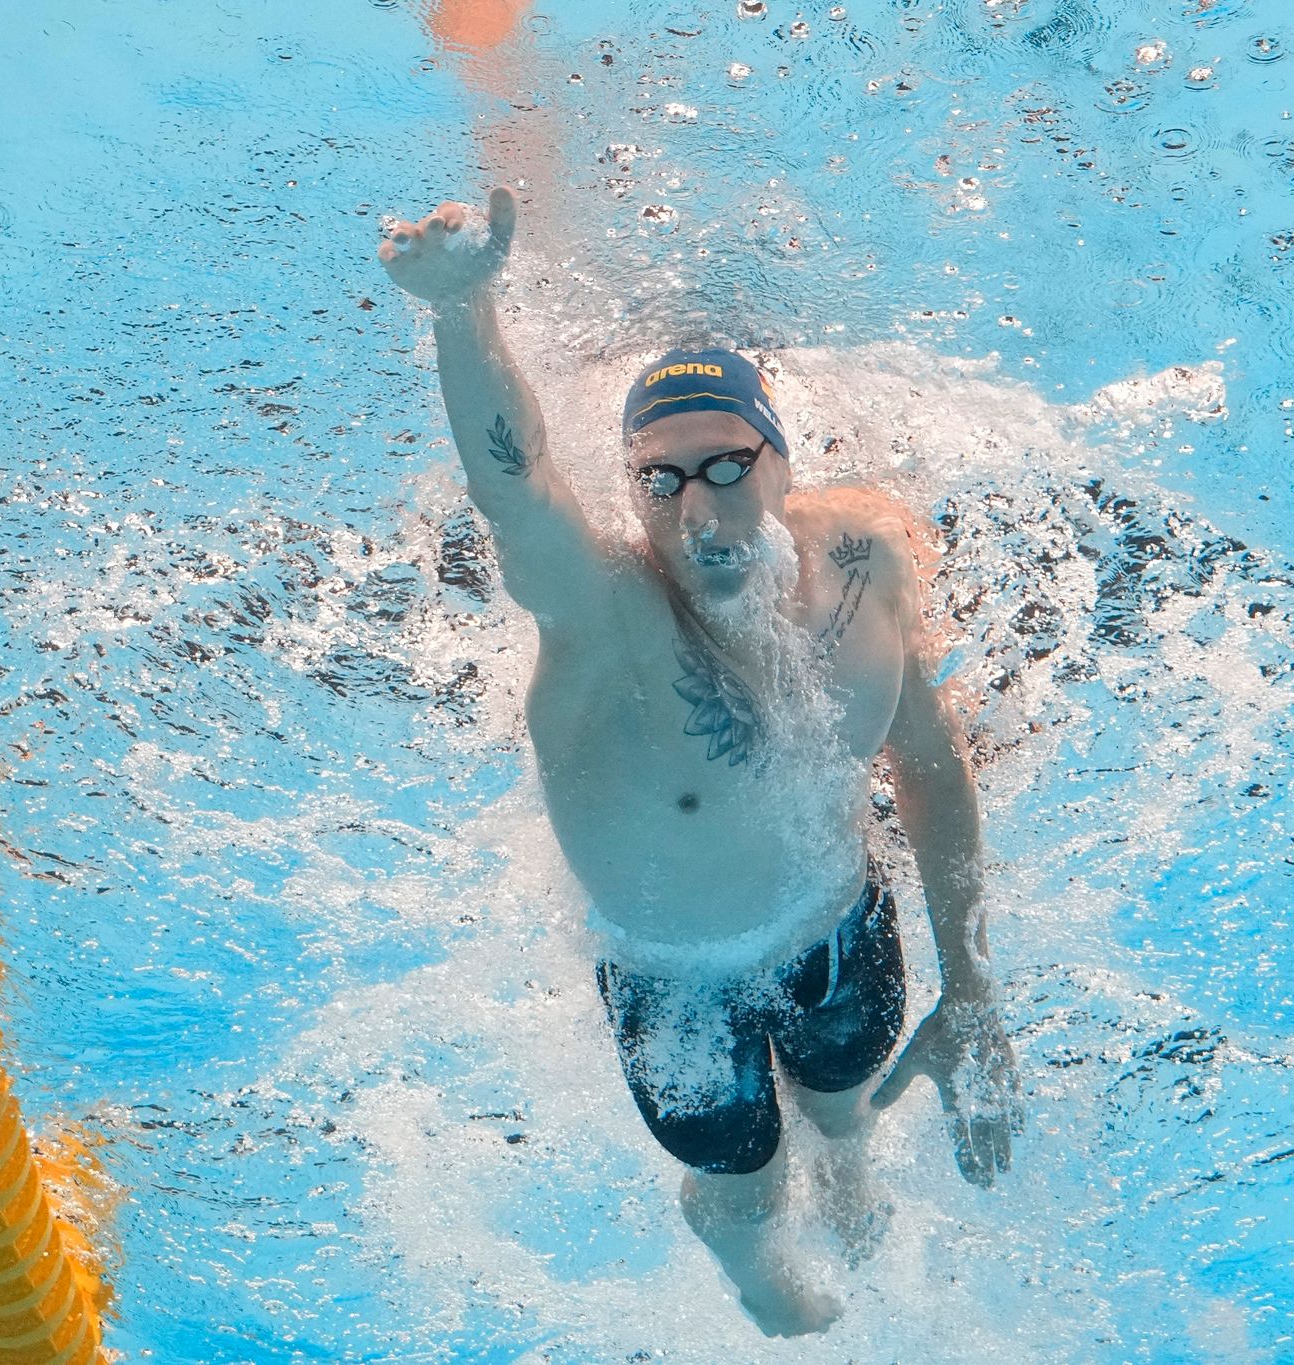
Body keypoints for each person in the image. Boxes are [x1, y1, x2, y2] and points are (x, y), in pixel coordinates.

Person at [379, 187, 1024, 1336]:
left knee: (844, 1117)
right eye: (658, 479)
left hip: (836, 928)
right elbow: (515, 487)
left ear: (779, 459)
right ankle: (744, 1259)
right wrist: (461, 313)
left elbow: (927, 766)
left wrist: (971, 993)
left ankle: (847, 1166)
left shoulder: (866, 559)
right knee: (749, 1201)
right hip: (677, 988)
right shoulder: (605, 615)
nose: (695, 506)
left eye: (722, 464)